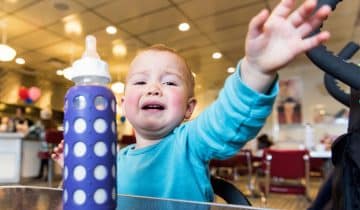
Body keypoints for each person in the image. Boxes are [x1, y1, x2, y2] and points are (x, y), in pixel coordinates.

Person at [52, 0, 332, 202]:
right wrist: (80, 166)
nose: (153, 88)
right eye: (140, 81)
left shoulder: (189, 142)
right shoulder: (113, 159)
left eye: (169, 82)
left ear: (188, 108)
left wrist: (257, 70)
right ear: (123, 104)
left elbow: (227, 119)